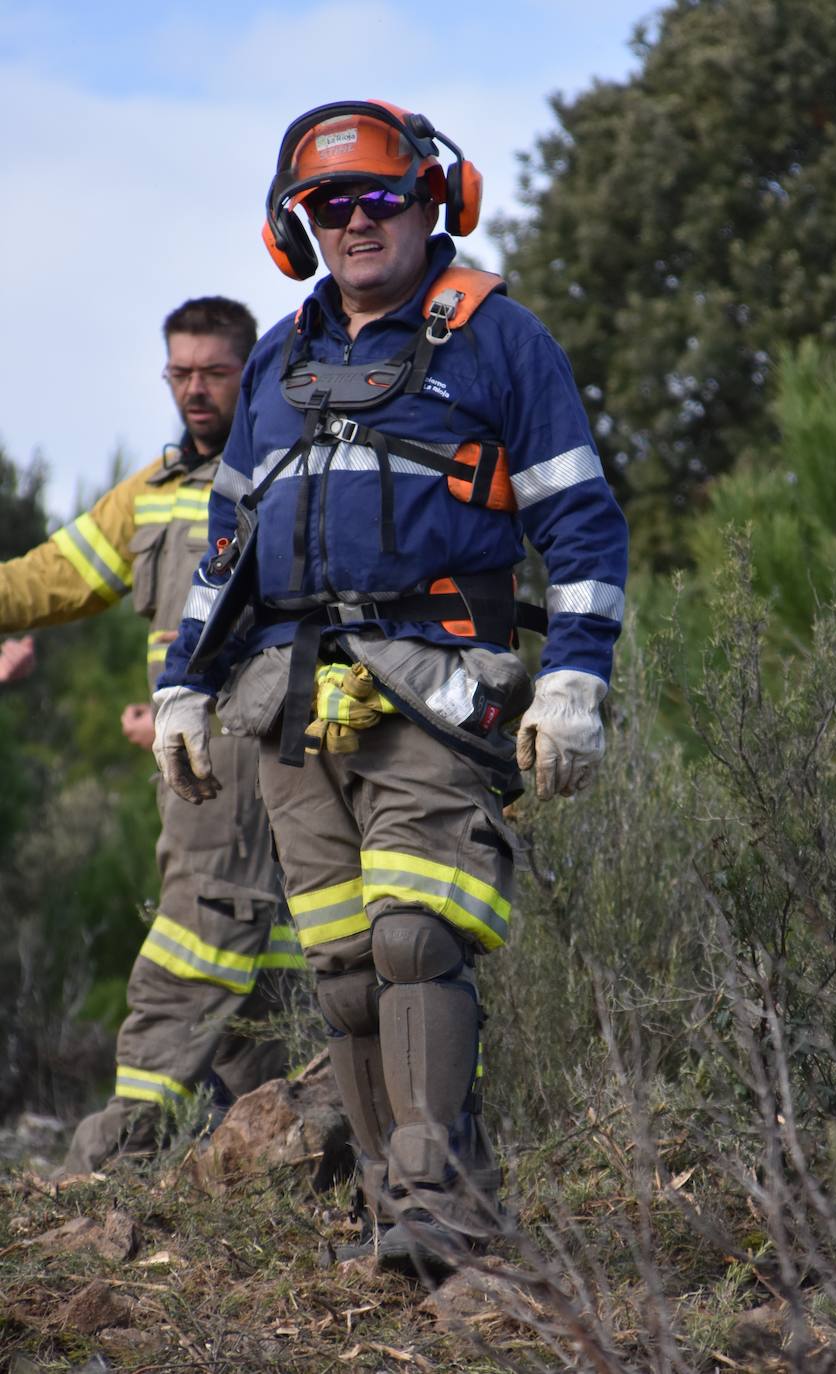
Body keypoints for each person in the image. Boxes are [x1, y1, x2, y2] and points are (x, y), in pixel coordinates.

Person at [152, 103, 628, 1275]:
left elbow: (582, 523)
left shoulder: (499, 339)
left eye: (378, 199)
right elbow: (227, 546)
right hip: (293, 707)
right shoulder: (277, 357)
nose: (355, 223)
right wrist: (182, 685)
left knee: (417, 937)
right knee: (345, 971)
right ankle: (396, 1217)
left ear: (432, 203)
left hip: (438, 688)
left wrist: (574, 684)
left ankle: (437, 1208)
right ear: (295, 228)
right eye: (329, 207)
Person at [0, 297, 306, 1174]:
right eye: (180, 373)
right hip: (196, 772)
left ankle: (117, 1162)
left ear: (252, 371)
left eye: (213, 371)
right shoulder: (155, 492)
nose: (195, 390)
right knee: (260, 960)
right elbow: (50, 577)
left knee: (227, 939)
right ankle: (263, 1167)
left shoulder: (293, 472)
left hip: (277, 755)